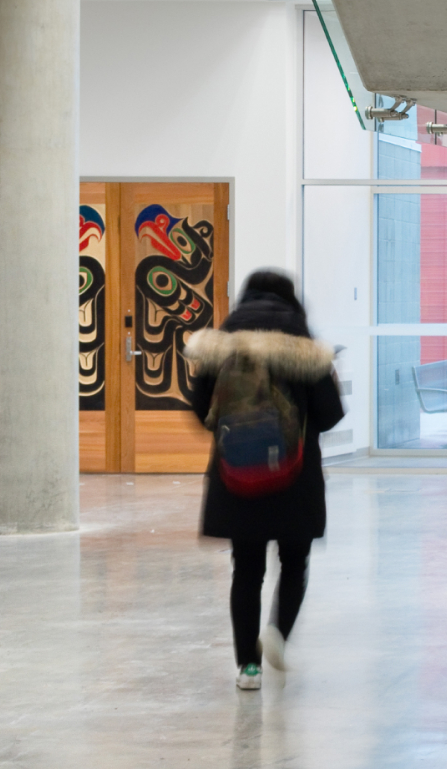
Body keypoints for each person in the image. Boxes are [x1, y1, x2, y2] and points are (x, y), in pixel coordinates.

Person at [185, 269, 345, 691]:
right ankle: (277, 634)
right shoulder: (307, 351)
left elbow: (201, 411)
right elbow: (330, 416)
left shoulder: (221, 348)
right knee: (295, 563)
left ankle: (247, 668)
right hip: (296, 477)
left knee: (247, 570)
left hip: (235, 476)